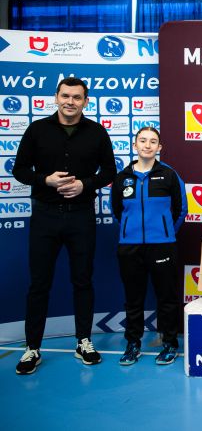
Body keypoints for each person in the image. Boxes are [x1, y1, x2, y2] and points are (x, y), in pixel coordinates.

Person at [12, 77, 116, 375]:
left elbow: (109, 170)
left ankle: (84, 341)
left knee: (83, 280)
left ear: (86, 101)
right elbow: (19, 169)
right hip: (44, 216)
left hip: (81, 215)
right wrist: (45, 180)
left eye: (77, 97)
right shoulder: (37, 130)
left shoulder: (97, 132)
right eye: (66, 96)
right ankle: (33, 348)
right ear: (56, 97)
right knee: (39, 284)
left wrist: (85, 184)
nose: (71, 102)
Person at [111, 127, 187, 366]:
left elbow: (181, 209)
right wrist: (129, 231)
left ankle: (170, 343)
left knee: (167, 297)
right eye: (143, 141)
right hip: (129, 247)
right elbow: (116, 210)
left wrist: (165, 233)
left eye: (153, 141)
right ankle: (133, 344)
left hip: (162, 245)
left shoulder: (169, 175)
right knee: (133, 299)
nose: (147, 145)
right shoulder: (122, 177)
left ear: (159, 147)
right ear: (135, 145)